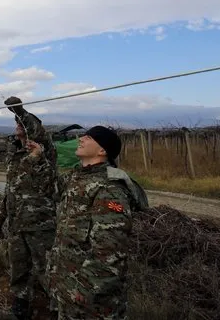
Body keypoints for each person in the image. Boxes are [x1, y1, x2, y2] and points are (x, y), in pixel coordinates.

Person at [46, 126, 148, 320]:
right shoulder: (76, 177)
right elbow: (45, 187)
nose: (81, 139)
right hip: (67, 289)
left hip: (91, 304)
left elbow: (109, 254)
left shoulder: (110, 189)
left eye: (90, 137)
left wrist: (80, 293)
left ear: (102, 151)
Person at [0, 97, 58, 320]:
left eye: (22, 124)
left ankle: (60, 312)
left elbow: (33, 126)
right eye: (17, 124)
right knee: (19, 271)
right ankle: (20, 313)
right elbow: (10, 190)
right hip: (17, 223)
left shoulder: (44, 150)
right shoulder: (15, 154)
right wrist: (0, 219)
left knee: (46, 271)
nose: (19, 126)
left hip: (40, 224)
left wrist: (20, 111)